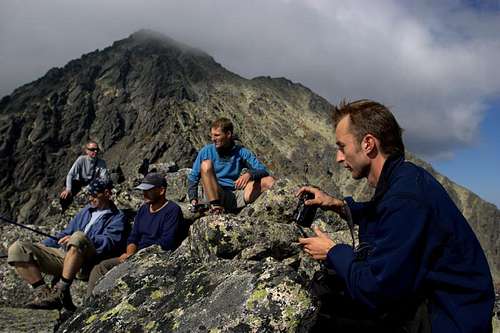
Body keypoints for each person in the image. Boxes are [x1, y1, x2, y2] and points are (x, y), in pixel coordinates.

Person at [297, 99, 494, 332]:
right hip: (446, 306)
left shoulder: (406, 199)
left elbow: (374, 290)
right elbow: (382, 213)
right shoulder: (404, 178)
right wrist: (337, 205)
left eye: (342, 147)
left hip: (448, 319)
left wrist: (333, 252)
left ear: (368, 144)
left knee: (326, 315)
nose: (339, 158)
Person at [7, 178, 125, 311]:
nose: (90, 198)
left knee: (78, 236)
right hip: (68, 255)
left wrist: (82, 238)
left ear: (107, 193)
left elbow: (109, 242)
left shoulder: (117, 217)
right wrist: (40, 247)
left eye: (94, 195)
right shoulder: (86, 211)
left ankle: (60, 290)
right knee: (18, 248)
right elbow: (65, 234)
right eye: (89, 194)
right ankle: (45, 294)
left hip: (88, 260)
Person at [86, 173, 188, 297]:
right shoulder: (144, 209)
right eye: (143, 190)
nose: (144, 194)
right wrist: (130, 254)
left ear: (161, 191)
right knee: (99, 269)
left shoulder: (172, 210)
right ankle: (89, 304)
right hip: (135, 256)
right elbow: (133, 236)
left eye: (148, 190)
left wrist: (139, 256)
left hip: (153, 258)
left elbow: (167, 242)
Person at [188, 117, 275, 213]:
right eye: (212, 135)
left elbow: (263, 170)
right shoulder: (206, 151)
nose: (213, 139)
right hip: (213, 193)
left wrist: (249, 174)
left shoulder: (241, 152)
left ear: (228, 134)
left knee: (268, 181)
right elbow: (193, 177)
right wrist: (193, 199)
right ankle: (216, 208)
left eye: (217, 135)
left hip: (234, 194)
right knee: (206, 165)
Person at [59, 140, 109, 211]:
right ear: (87, 151)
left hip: (92, 184)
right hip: (79, 183)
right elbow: (70, 174)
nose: (95, 151)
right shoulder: (81, 159)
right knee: (64, 197)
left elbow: (104, 178)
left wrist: (89, 187)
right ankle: (65, 211)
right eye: (92, 149)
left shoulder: (101, 163)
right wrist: (68, 189)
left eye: (97, 149)